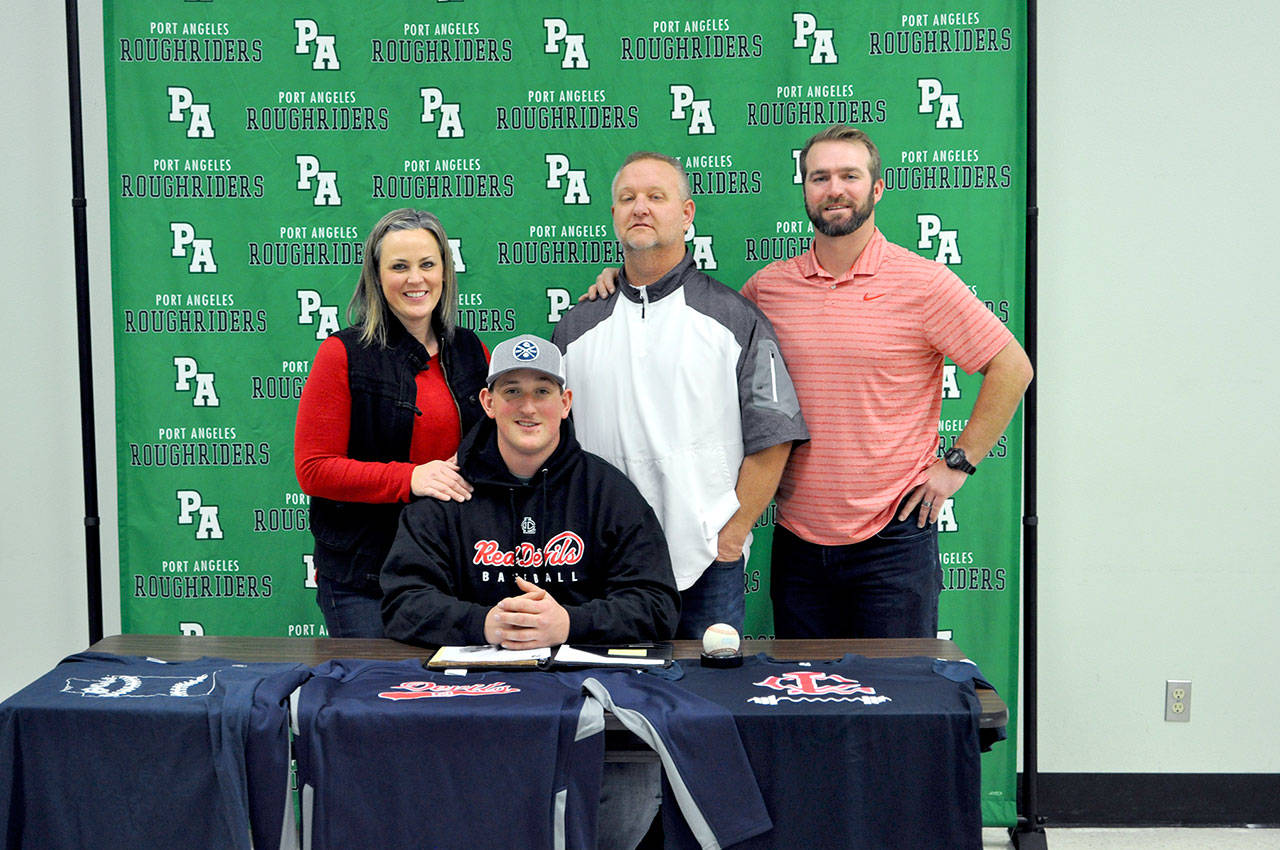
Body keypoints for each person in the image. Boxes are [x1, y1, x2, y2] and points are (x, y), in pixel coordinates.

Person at [741, 125, 1034, 638]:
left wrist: (958, 464)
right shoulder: (769, 287)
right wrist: (621, 286)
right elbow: (702, 338)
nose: (835, 189)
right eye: (820, 177)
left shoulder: (923, 282)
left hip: (894, 542)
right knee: (805, 705)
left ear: (876, 189)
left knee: (898, 709)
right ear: (805, 190)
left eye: (850, 176)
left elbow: (1012, 367)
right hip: (796, 542)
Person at [552, 152, 809, 641]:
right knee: (608, 708)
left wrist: (729, 537)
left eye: (656, 196)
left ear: (687, 214)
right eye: (627, 198)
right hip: (602, 568)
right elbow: (553, 446)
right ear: (613, 216)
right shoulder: (577, 326)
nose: (640, 208)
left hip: (707, 567)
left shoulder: (736, 319)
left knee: (706, 711)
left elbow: (774, 437)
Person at [380, 333, 680, 648]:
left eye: (542, 391)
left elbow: (658, 606)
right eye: (512, 391)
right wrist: (484, 624)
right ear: (488, 402)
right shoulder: (449, 490)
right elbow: (403, 603)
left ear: (565, 404)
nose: (528, 407)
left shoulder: (609, 493)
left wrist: (569, 624)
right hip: (476, 687)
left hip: (582, 682)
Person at [294, 208, 489, 638]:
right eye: (399, 266)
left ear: (445, 272)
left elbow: (494, 445)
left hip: (451, 571)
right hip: (364, 579)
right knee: (375, 699)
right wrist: (412, 478)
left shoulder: (472, 350)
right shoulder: (343, 354)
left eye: (427, 264)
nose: (415, 279)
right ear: (376, 277)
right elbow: (314, 469)